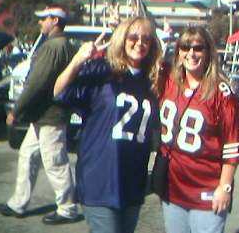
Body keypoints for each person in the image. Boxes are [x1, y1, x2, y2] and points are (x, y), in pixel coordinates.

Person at [53, 16, 162, 233]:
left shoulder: (154, 79)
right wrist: (78, 60)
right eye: (133, 37)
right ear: (122, 39)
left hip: (132, 179)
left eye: (146, 39)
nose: (140, 43)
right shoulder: (101, 70)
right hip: (100, 178)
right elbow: (59, 93)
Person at [158, 25, 239, 233]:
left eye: (198, 48)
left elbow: (232, 146)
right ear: (178, 51)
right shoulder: (168, 80)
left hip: (206, 190)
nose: (191, 53)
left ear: (209, 52)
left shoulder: (222, 95)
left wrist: (224, 187)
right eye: (185, 47)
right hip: (173, 188)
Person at [0, 5, 79, 225]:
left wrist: (16, 110)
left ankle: (68, 208)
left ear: (55, 21)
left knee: (55, 162)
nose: (40, 22)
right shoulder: (62, 45)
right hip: (45, 115)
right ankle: (18, 203)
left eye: (44, 19)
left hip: (50, 115)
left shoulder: (53, 47)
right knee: (27, 154)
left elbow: (36, 83)